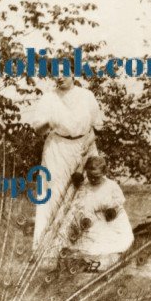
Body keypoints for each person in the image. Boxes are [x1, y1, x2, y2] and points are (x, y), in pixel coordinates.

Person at [21, 76, 104, 252]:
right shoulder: (49, 98)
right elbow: (38, 130)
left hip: (85, 147)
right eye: (54, 72)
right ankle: (46, 250)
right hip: (57, 149)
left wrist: (87, 144)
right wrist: (48, 122)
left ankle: (88, 248)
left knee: (87, 195)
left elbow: (97, 127)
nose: (59, 76)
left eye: (64, 70)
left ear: (73, 73)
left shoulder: (87, 95)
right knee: (53, 196)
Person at [65, 156, 134, 270]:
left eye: (96, 177)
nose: (92, 180)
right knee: (86, 244)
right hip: (92, 221)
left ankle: (106, 262)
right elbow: (80, 204)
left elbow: (118, 202)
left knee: (113, 244)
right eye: (90, 176)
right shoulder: (85, 187)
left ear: (104, 172)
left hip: (111, 220)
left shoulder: (111, 186)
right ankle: (89, 263)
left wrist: (111, 210)